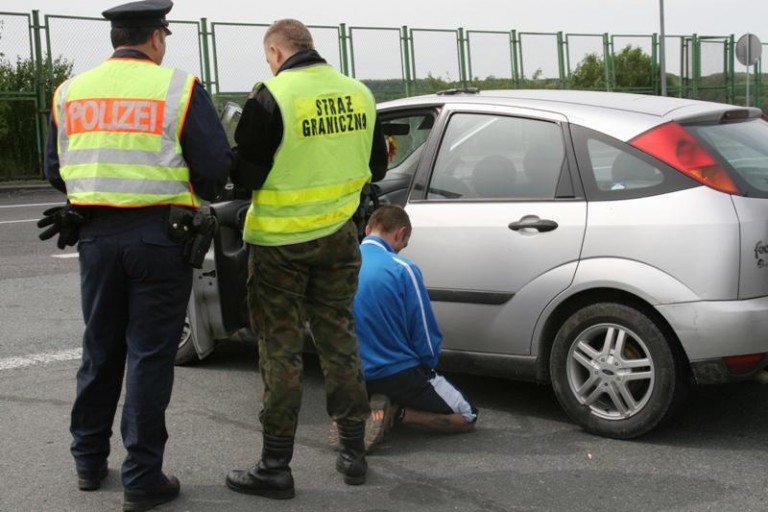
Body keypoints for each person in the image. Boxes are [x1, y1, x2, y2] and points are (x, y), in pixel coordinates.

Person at [41, 0, 232, 510]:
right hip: (159, 237)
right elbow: (214, 167)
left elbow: (55, 170)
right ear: (155, 38)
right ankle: (143, 477)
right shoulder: (178, 87)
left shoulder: (70, 91)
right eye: (164, 36)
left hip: (96, 237)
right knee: (149, 356)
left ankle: (87, 461)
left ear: (115, 39)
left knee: (100, 349)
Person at [224, 19, 388, 499]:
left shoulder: (271, 96)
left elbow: (247, 175)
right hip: (340, 236)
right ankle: (353, 453)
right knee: (340, 339)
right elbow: (376, 167)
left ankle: (275, 466)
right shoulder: (359, 93)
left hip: (279, 246)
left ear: (276, 53)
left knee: (281, 351)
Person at [352, 205, 478, 452]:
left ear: (367, 229)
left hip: (349, 371)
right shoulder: (403, 268)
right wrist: (428, 363)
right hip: (394, 372)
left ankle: (357, 410)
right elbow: (424, 331)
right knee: (468, 414)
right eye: (403, 243)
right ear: (400, 234)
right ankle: (397, 414)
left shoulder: (341, 264)